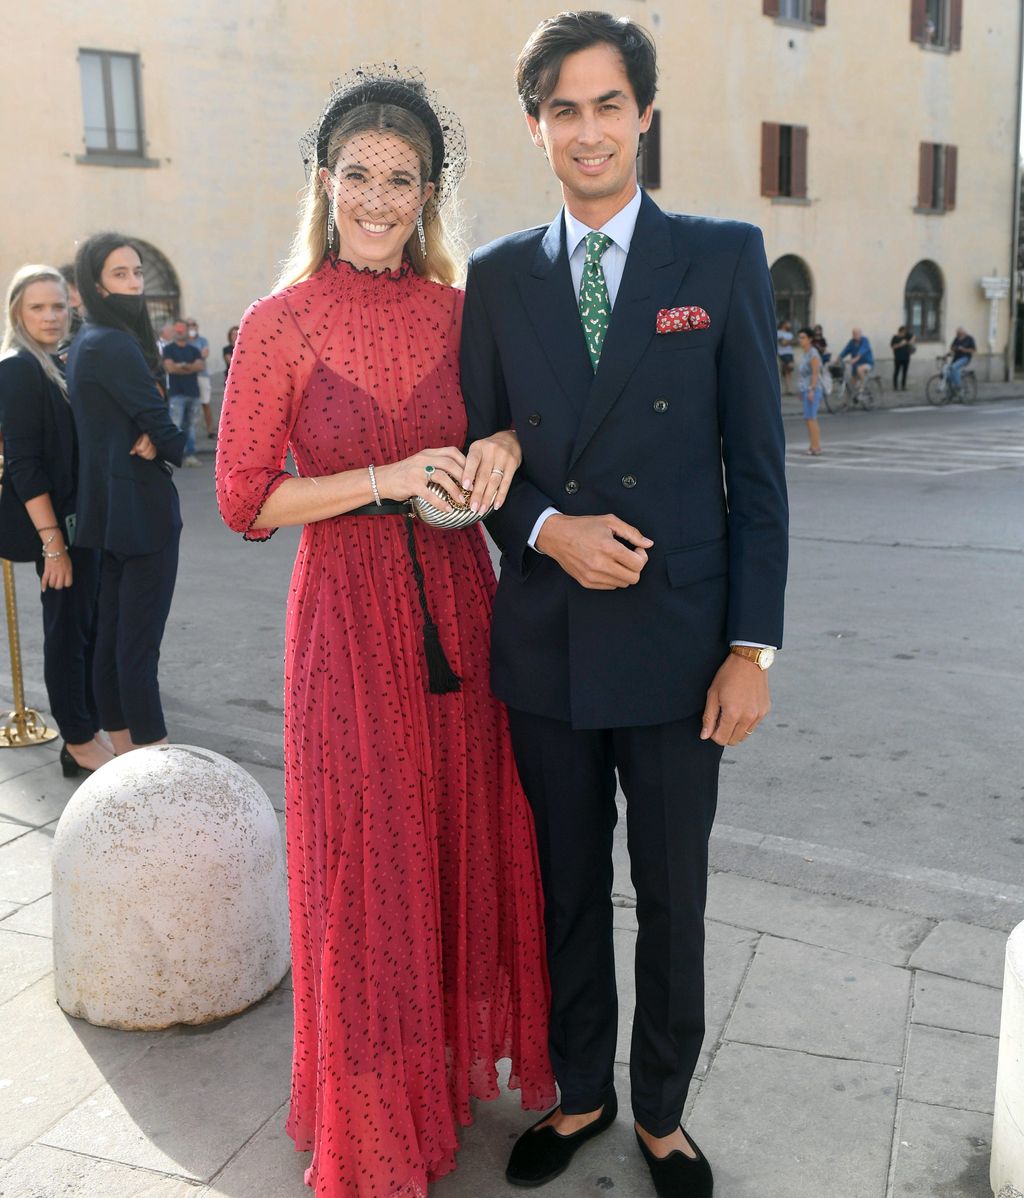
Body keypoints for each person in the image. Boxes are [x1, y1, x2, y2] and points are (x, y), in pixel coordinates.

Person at [461, 13, 788, 1198]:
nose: (587, 130)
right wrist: (548, 529)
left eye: (608, 105)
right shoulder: (496, 277)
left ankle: (659, 1112)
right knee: (561, 888)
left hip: (677, 645)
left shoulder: (720, 256)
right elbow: (479, 461)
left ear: (644, 114)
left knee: (672, 895)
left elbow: (756, 469)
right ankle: (580, 1089)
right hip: (546, 643)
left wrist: (750, 646)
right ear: (536, 125)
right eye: (562, 108)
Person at [215, 67, 555, 1197]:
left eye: (399, 179)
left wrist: (485, 463)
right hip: (347, 624)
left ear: (428, 194)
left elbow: (506, 441)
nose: (375, 196)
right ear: (324, 182)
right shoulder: (278, 323)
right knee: (366, 866)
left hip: (461, 605)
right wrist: (382, 478)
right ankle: (370, 1112)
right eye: (356, 174)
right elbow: (244, 498)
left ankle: (433, 1078)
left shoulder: (464, 316)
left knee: (450, 841)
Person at [66, 233, 187, 757]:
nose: (134, 284)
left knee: (115, 646)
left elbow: (123, 423)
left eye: (138, 273)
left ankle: (124, 763)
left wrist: (143, 434)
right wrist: (163, 438)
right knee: (137, 651)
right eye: (121, 275)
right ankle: (154, 767)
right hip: (142, 514)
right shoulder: (112, 343)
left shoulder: (88, 341)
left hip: (112, 513)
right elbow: (168, 431)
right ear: (95, 283)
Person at [0, 265, 111, 776]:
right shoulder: (20, 368)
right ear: (18, 314)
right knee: (67, 631)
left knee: (86, 627)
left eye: (57, 306)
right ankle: (78, 737)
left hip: (84, 522)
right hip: (59, 530)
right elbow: (24, 464)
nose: (50, 315)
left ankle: (84, 730)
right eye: (37, 307)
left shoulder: (63, 361)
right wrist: (52, 544)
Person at [163, 320, 203, 466]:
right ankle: (175, 456)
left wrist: (181, 365)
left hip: (193, 393)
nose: (180, 332)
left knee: (191, 426)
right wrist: (189, 367)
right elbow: (170, 368)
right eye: (178, 329)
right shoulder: (168, 349)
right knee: (176, 426)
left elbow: (199, 366)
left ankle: (190, 455)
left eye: (183, 329)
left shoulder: (194, 350)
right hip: (176, 393)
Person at [186, 317, 216, 439]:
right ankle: (189, 432)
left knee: (205, 403)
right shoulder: (183, 341)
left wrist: (189, 358)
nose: (192, 327)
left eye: (194, 324)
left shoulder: (202, 340)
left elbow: (205, 354)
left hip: (202, 376)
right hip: (188, 377)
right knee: (189, 404)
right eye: (189, 325)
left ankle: (210, 430)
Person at [797, 327, 823, 454]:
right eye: (799, 337)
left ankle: (816, 447)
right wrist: (801, 391)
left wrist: (812, 390)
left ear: (810, 339)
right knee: (808, 418)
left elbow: (815, 373)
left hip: (813, 389)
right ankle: (812, 445)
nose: (800, 340)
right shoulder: (805, 353)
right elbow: (803, 375)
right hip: (806, 390)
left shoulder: (813, 353)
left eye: (803, 337)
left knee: (812, 418)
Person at [838, 326, 875, 394]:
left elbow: (863, 349)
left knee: (860, 369)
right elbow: (845, 350)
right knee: (851, 385)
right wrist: (838, 358)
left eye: (857, 333)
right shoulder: (852, 342)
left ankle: (862, 386)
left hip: (867, 363)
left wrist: (856, 358)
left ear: (861, 333)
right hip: (855, 365)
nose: (855, 335)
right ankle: (846, 403)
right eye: (854, 333)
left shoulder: (865, 340)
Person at [948, 325, 976, 391]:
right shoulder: (956, 338)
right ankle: (951, 393)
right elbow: (952, 347)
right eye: (957, 334)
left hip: (965, 358)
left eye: (959, 334)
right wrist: (953, 349)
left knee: (954, 367)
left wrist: (964, 349)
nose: (958, 335)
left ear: (963, 333)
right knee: (949, 372)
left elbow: (974, 350)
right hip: (956, 358)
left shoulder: (969, 338)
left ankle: (958, 386)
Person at [890, 324, 915, 391]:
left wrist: (909, 342)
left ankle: (903, 386)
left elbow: (913, 337)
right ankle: (895, 387)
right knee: (896, 372)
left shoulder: (906, 336)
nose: (904, 334)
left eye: (905, 332)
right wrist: (900, 344)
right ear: (899, 332)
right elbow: (893, 347)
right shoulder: (895, 337)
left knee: (904, 373)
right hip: (898, 358)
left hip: (906, 358)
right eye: (903, 332)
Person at [777, 317, 795, 393]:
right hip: (783, 354)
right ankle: (787, 389)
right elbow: (782, 343)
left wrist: (787, 341)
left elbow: (795, 342)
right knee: (788, 369)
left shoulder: (790, 333)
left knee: (788, 371)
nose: (789, 325)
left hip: (790, 353)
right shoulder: (779, 332)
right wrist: (789, 341)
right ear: (784, 324)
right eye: (788, 323)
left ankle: (788, 389)